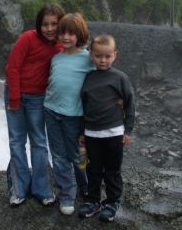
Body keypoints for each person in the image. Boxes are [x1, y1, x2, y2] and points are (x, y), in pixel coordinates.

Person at [5, 3, 66, 207]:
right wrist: (14, 98)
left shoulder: (61, 47)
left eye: (54, 24)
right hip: (16, 95)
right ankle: (19, 188)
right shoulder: (28, 38)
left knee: (39, 142)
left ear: (61, 24)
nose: (49, 29)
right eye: (45, 24)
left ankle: (42, 189)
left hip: (39, 98)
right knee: (17, 141)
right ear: (39, 25)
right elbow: (12, 67)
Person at [78, 33, 135, 222]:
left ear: (115, 55)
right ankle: (92, 200)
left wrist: (127, 131)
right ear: (91, 56)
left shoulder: (120, 78)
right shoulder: (88, 78)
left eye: (107, 56)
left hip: (114, 132)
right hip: (92, 133)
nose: (103, 60)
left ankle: (112, 202)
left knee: (112, 170)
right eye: (98, 56)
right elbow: (84, 106)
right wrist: (82, 131)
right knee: (93, 169)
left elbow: (129, 104)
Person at [43, 13, 95, 216]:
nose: (65, 37)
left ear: (79, 35)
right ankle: (67, 193)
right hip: (51, 111)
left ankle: (86, 184)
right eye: (62, 32)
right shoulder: (55, 58)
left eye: (71, 34)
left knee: (77, 156)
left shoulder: (87, 58)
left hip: (75, 115)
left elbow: (104, 77)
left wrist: (119, 97)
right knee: (58, 156)